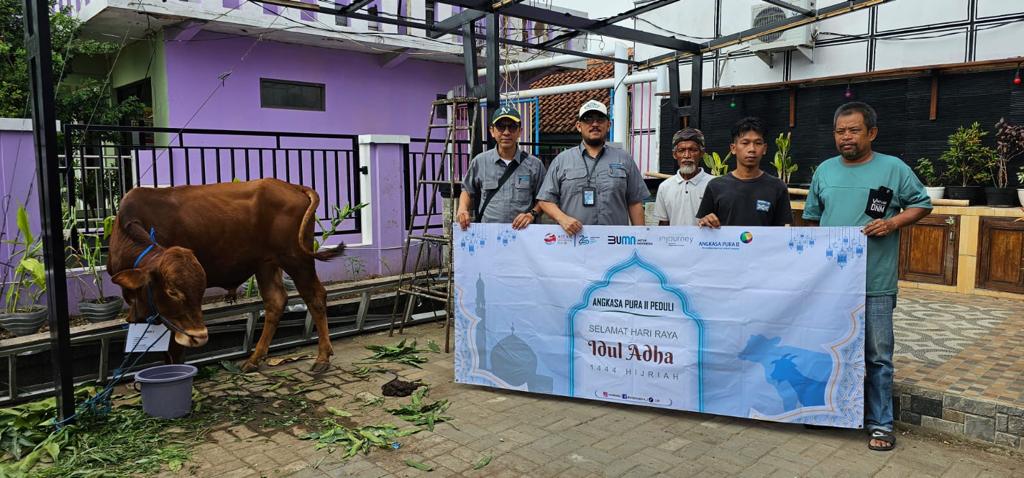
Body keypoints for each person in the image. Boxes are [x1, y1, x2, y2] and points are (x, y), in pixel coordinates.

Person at [802, 101, 931, 452]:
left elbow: (922, 204)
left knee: (877, 356)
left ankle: (880, 424)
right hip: (832, 284)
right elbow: (812, 219)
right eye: (840, 131)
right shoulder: (825, 171)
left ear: (871, 132)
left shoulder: (894, 168)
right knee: (830, 350)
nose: (846, 137)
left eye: (854, 130)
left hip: (875, 282)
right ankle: (830, 414)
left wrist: (891, 223)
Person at [536, 100, 649, 235]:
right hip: (574, 242)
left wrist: (641, 238)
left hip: (614, 244)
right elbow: (545, 200)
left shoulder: (624, 159)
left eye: (600, 119)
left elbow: (635, 202)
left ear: (608, 125)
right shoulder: (561, 160)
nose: (594, 124)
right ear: (579, 126)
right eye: (588, 120)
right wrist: (563, 219)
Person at [457, 104, 545, 230]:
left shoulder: (535, 165)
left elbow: (544, 199)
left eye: (512, 127)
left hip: (524, 236)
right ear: (492, 131)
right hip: (489, 235)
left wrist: (531, 214)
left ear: (520, 131)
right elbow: (467, 190)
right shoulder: (480, 162)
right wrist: (462, 209)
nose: (506, 132)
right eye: (500, 127)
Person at [696, 117, 792, 227]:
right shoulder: (715, 186)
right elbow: (704, 225)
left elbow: (780, 232)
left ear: (764, 148)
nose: (752, 149)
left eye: (758, 143)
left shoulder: (777, 187)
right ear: (733, 148)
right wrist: (705, 221)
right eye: (745, 143)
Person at [653, 128, 712, 226]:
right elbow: (663, 225)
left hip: (705, 241)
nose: (687, 155)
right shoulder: (665, 187)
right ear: (675, 154)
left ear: (702, 153)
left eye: (693, 150)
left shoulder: (713, 184)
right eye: (681, 150)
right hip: (674, 241)